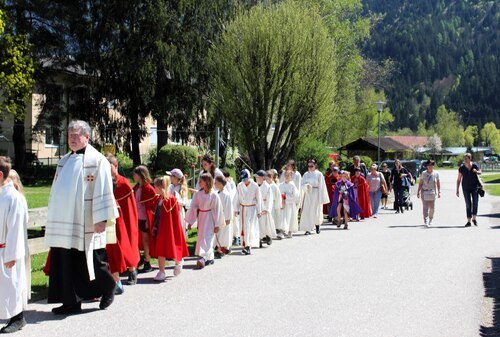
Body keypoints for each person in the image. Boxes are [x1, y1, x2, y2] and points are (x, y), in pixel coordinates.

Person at [45, 120, 118, 315]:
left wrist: (101, 218)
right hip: (66, 221)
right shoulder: (64, 161)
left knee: (93, 259)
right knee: (67, 260)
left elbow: (104, 189)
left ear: (87, 137)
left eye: (77, 135)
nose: (73, 139)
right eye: (70, 136)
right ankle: (71, 301)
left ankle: (109, 286)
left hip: (87, 220)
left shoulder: (97, 160)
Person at [0, 157, 29, 333]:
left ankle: (18, 318)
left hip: (8, 250)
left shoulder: (13, 198)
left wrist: (11, 254)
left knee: (12, 284)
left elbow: (16, 228)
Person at [106, 154, 140, 291]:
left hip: (124, 219)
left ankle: (132, 270)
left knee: (127, 244)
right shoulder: (104, 182)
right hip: (110, 219)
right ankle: (114, 274)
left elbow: (129, 207)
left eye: (110, 168)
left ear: (116, 166)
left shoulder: (124, 183)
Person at [150, 176, 189, 281]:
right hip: (159, 228)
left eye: (155, 186)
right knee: (160, 250)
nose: (154, 188)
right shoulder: (158, 199)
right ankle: (161, 271)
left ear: (160, 187)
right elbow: (157, 215)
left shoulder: (171, 200)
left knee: (171, 247)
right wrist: (154, 226)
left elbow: (174, 218)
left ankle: (178, 262)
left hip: (169, 229)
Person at [186, 173, 224, 268]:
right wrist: (190, 222)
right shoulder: (199, 194)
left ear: (206, 182)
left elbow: (218, 210)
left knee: (208, 239)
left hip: (210, 219)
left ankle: (203, 258)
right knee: (202, 238)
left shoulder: (214, 195)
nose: (199, 183)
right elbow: (194, 207)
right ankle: (209, 258)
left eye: (200, 181)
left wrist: (217, 225)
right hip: (202, 218)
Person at [133, 165, 157, 273]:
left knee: (145, 240)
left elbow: (151, 206)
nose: (133, 176)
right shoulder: (137, 187)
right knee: (138, 241)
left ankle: (147, 261)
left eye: (136, 174)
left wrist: (148, 220)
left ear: (141, 175)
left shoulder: (148, 188)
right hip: (137, 217)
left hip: (144, 218)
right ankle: (140, 259)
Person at [233, 169, 262, 255]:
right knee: (243, 227)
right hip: (243, 208)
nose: (244, 181)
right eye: (243, 179)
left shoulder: (255, 186)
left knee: (249, 227)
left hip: (251, 209)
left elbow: (258, 199)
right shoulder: (239, 186)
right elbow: (237, 198)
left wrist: (259, 211)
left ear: (249, 177)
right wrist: (236, 209)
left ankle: (248, 245)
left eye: (245, 178)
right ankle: (245, 244)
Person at [299, 159, 330, 235]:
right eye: (308, 166)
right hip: (308, 193)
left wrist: (321, 198)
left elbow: (322, 186)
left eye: (311, 166)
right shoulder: (306, 174)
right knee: (307, 211)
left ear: (315, 165)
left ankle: (317, 225)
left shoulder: (319, 174)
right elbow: (302, 184)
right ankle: (308, 229)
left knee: (316, 211)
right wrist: (306, 186)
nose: (310, 167)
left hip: (316, 194)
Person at [456, 153, 482, 227]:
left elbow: (480, 172)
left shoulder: (474, 165)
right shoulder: (462, 168)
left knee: (475, 202)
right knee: (468, 204)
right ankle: (468, 221)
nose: (465, 160)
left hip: (475, 187)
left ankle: (474, 218)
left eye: (466, 158)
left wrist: (476, 171)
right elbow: (458, 179)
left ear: (470, 159)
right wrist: (457, 189)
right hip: (466, 188)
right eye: (464, 158)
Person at [213, 175, 233, 257]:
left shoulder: (226, 195)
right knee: (219, 234)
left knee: (223, 235)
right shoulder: (218, 193)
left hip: (225, 218)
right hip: (218, 217)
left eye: (216, 183)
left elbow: (228, 208)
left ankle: (221, 250)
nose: (214, 184)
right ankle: (221, 249)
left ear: (221, 184)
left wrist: (228, 219)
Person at [417, 160, 441, 227]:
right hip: (424, 191)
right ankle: (426, 220)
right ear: (427, 166)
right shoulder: (423, 173)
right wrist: (418, 191)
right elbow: (421, 183)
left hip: (432, 192)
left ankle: (430, 219)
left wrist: (439, 192)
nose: (430, 166)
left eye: (431, 165)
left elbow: (438, 183)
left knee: (432, 208)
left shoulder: (436, 174)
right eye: (429, 165)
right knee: (425, 207)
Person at [166, 168, 189, 236]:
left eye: (171, 176)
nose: (169, 177)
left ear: (176, 178)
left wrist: (176, 199)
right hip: (170, 210)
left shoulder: (182, 188)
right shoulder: (170, 186)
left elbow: (184, 202)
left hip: (178, 212)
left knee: (178, 230)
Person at [255, 170, 275, 247]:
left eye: (258, 177)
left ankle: (268, 236)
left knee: (266, 225)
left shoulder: (267, 186)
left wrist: (267, 209)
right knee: (258, 225)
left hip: (264, 208)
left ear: (263, 178)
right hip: (257, 207)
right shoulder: (255, 185)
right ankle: (258, 240)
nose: (256, 178)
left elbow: (270, 198)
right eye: (256, 177)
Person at [279, 170, 300, 238]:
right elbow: (279, 194)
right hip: (283, 204)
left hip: (290, 204)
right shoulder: (281, 185)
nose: (287, 177)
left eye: (288, 175)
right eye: (286, 175)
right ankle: (282, 232)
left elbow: (296, 196)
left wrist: (286, 196)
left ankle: (290, 231)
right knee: (283, 218)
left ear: (291, 176)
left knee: (290, 218)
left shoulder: (292, 185)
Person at [267, 170, 283, 239]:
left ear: (271, 178)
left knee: (273, 219)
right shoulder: (266, 186)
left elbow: (278, 197)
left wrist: (277, 206)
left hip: (273, 204)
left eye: (267, 178)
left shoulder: (274, 186)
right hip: (267, 204)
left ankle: (277, 232)